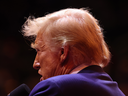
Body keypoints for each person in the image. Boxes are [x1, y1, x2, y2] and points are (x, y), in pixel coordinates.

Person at [22, 8, 125, 96]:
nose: (35, 64)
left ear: (63, 52)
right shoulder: (116, 91)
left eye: (39, 50)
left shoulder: (54, 87)